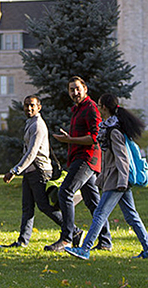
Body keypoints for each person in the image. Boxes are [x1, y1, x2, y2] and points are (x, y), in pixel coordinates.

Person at [66, 93, 148, 260]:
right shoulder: (109, 127)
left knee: (100, 213)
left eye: (100, 105)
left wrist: (122, 181)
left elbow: (122, 158)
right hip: (115, 179)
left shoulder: (113, 131)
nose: (99, 108)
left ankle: (85, 249)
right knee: (131, 216)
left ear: (104, 108)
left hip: (117, 180)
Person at [45, 76, 112, 252]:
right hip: (78, 157)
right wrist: (70, 139)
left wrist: (70, 139)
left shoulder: (91, 108)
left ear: (85, 89)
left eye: (77, 89)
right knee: (93, 202)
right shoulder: (77, 109)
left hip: (87, 158)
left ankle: (67, 237)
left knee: (65, 191)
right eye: (71, 90)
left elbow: (96, 137)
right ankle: (105, 241)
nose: (74, 93)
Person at [0, 95, 64, 248]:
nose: (29, 108)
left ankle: (72, 230)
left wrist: (14, 171)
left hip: (40, 172)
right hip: (30, 172)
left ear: (39, 107)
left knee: (44, 206)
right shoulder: (31, 123)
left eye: (32, 105)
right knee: (27, 207)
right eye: (27, 105)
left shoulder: (37, 125)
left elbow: (31, 153)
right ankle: (22, 241)